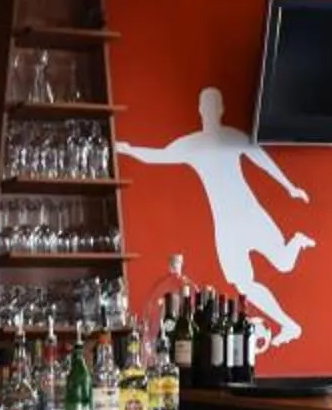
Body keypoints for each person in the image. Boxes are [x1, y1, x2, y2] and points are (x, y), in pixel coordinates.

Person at [116, 87, 316, 348]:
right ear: (201, 110)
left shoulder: (233, 137)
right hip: (226, 227)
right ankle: (289, 324)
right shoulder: (192, 144)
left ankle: (297, 241)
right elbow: (158, 156)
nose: (210, 110)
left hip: (251, 214)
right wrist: (126, 149)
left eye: (214, 105)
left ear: (220, 110)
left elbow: (262, 159)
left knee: (284, 265)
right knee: (243, 284)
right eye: (206, 105)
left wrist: (290, 187)